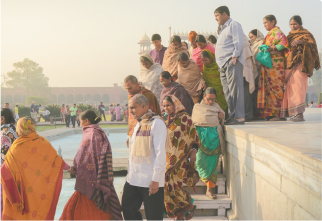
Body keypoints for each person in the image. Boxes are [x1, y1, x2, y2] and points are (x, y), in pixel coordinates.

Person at [2, 117, 69, 220]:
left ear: (19, 129)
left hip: (22, 195)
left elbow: (4, 171)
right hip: (40, 194)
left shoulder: (15, 149)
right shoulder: (43, 143)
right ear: (32, 126)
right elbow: (57, 161)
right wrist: (70, 168)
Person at [60, 110, 122, 220]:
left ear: (87, 120)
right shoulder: (92, 132)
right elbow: (83, 152)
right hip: (86, 175)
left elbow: (93, 155)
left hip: (91, 176)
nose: (80, 124)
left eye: (80, 121)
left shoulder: (93, 133)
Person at [121, 94, 168, 220]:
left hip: (150, 180)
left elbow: (160, 153)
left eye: (133, 108)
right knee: (127, 208)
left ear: (144, 106)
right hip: (134, 179)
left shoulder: (157, 123)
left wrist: (156, 179)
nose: (130, 111)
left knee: (154, 216)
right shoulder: (138, 124)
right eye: (129, 108)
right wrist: (129, 175)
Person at [162, 95, 199, 220]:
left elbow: (195, 137)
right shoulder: (165, 120)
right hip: (167, 160)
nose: (166, 108)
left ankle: (186, 207)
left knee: (173, 186)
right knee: (167, 186)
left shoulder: (185, 119)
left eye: (168, 105)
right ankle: (183, 211)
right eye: (164, 106)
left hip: (181, 160)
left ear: (175, 104)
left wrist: (193, 152)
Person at [281, 15, 321, 122]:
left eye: (295, 24)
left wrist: (302, 42)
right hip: (289, 65)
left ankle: (300, 115)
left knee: (299, 88)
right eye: (291, 24)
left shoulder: (306, 35)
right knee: (290, 89)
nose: (293, 26)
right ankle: (290, 113)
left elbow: (313, 47)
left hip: (301, 65)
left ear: (300, 24)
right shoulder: (289, 36)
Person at [191, 87, 226, 200]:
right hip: (201, 140)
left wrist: (221, 117)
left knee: (212, 166)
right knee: (200, 161)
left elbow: (220, 121)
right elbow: (194, 123)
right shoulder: (197, 107)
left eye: (213, 99)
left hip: (214, 140)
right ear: (204, 97)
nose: (211, 102)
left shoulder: (216, 107)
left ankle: (209, 190)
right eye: (209, 99)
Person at [214, 6, 245, 125]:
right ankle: (232, 116)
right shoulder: (222, 29)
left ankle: (239, 117)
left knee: (235, 90)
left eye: (217, 15)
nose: (215, 18)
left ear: (224, 14)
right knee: (228, 92)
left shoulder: (234, 25)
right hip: (222, 64)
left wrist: (235, 55)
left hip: (231, 61)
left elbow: (238, 41)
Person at [257, 15, 289, 121]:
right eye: (263, 23)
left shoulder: (277, 32)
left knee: (277, 88)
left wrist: (271, 48)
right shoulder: (269, 34)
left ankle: (278, 114)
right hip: (269, 64)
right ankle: (270, 113)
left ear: (273, 21)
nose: (265, 25)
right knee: (269, 89)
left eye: (266, 22)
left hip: (276, 64)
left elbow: (284, 44)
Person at [124, 75, 161, 141]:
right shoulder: (130, 96)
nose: (128, 91)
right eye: (126, 89)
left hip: (146, 133)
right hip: (132, 133)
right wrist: (129, 135)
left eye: (130, 88)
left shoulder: (148, 95)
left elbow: (155, 115)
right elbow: (131, 117)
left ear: (137, 84)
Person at [200, 50, 228, 118]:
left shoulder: (218, 65)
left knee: (223, 105)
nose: (204, 62)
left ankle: (225, 117)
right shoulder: (205, 67)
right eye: (203, 61)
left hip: (220, 90)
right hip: (210, 92)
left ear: (211, 58)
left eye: (206, 60)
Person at [1, 108, 18, 217]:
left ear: (2, 118)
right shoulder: (15, 130)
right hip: (15, 170)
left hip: (5, 170)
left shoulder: (4, 132)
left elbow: (4, 154)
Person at [249, 29, 265, 119]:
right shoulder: (254, 44)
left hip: (260, 70)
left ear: (257, 35)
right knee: (254, 91)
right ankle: (255, 111)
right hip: (254, 70)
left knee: (259, 91)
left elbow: (260, 57)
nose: (251, 39)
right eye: (250, 37)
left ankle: (260, 112)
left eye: (252, 37)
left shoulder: (261, 43)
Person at [242, 34, 258, 122]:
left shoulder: (241, 41)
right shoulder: (243, 40)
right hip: (243, 70)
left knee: (246, 93)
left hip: (244, 70)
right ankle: (244, 114)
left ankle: (247, 115)